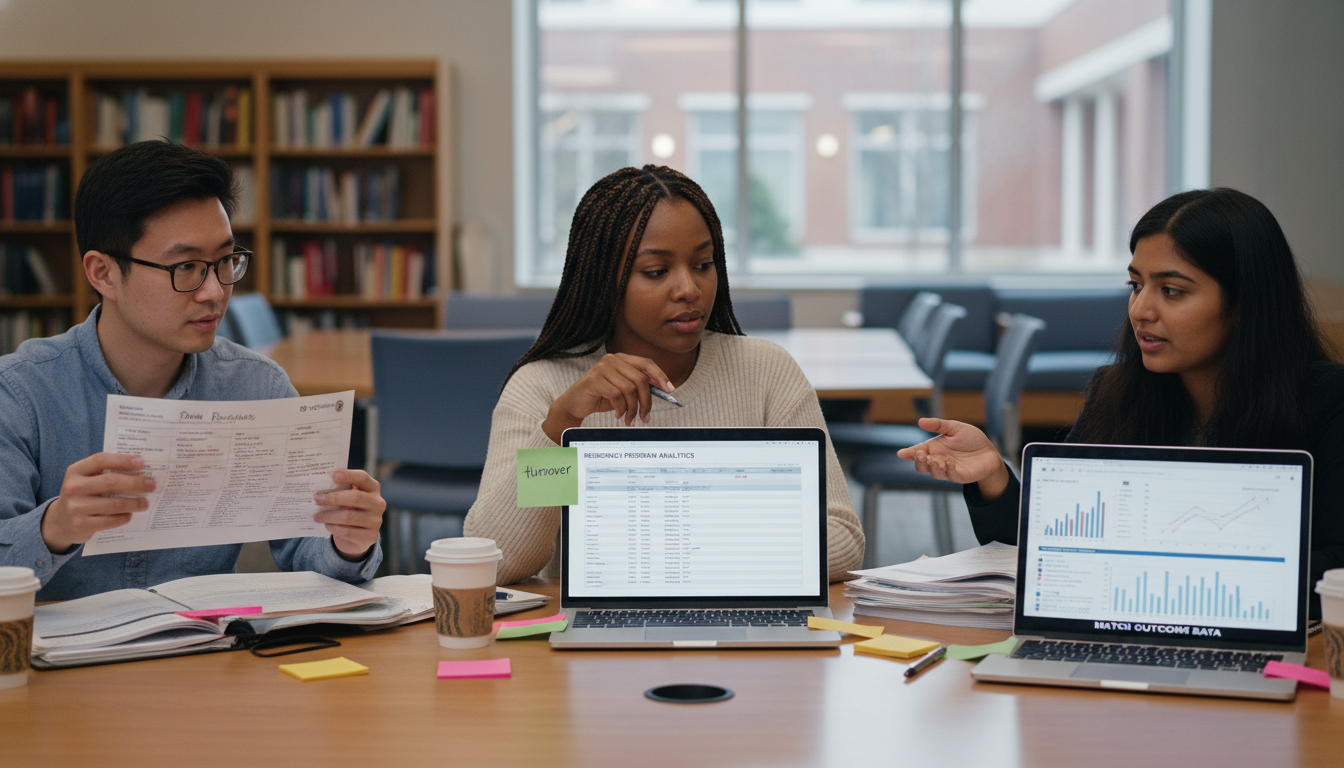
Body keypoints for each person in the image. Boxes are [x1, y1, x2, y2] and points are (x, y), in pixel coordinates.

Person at [896, 188, 1344, 618]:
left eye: (1172, 291)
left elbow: (1336, 565)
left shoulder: (1327, 401)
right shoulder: (1117, 392)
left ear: (1245, 303)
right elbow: (1049, 541)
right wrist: (993, 475)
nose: (1140, 310)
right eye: (1136, 285)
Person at [0, 141, 386, 601]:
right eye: (186, 267)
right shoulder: (21, 392)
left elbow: (308, 551)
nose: (214, 292)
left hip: (202, 656)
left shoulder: (257, 388)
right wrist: (55, 527)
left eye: (225, 262)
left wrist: (348, 544)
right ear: (103, 273)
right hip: (58, 666)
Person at [464, 165, 863, 584]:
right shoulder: (545, 388)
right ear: (604, 280)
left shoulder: (767, 372)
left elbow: (841, 539)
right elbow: (500, 563)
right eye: (656, 271)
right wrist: (561, 429)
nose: (689, 288)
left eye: (704, 264)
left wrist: (673, 548)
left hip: (739, 621)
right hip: (600, 641)